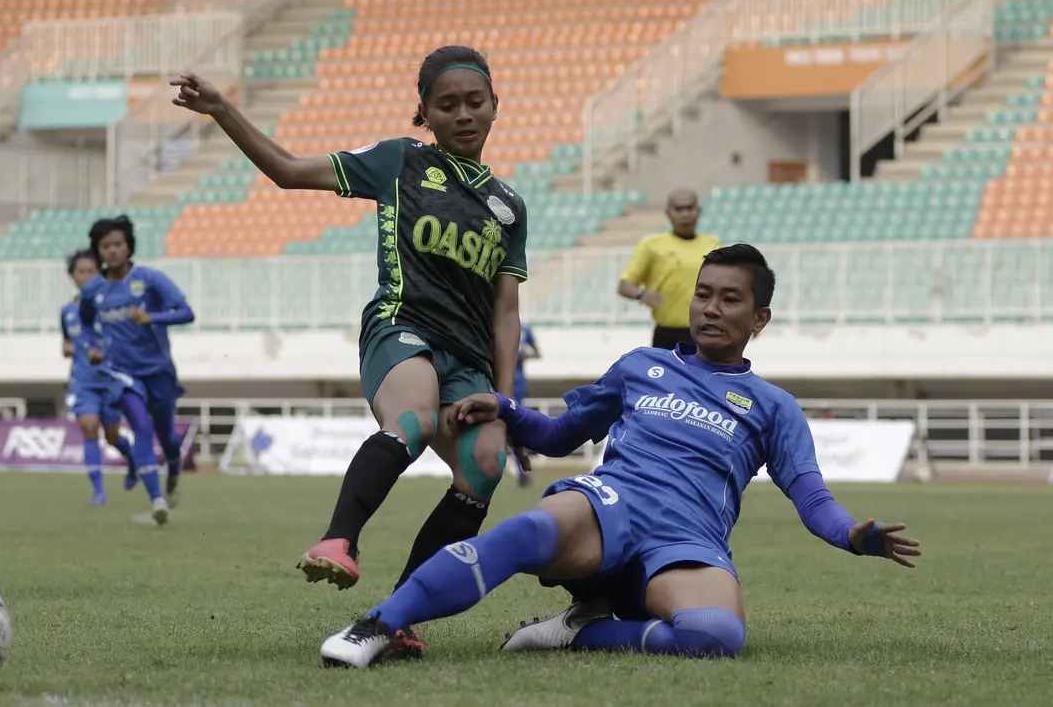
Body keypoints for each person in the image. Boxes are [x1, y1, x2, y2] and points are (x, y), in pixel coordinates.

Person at [319, 243, 921, 668]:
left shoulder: (774, 406)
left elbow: (811, 496)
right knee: (525, 531)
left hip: (689, 540)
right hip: (612, 505)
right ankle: (377, 625)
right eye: (703, 294)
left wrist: (852, 535)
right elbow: (561, 435)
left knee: (714, 637)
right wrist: (504, 407)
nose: (711, 308)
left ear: (759, 317)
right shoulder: (642, 366)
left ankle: (581, 634)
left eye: (730, 300)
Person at [172, 45, 528, 656]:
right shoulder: (400, 161)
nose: (464, 114)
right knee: (412, 418)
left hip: (467, 360)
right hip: (402, 327)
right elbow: (287, 170)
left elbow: (506, 312)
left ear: (496, 105)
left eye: (475, 102)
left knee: (486, 463)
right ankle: (340, 541)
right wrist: (222, 110)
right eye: (447, 105)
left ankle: (399, 616)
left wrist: (503, 397)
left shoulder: (510, 207)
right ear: (425, 113)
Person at [77, 216, 194, 525]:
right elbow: (86, 325)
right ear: (98, 250)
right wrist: (92, 347)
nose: (112, 251)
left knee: (167, 436)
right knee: (141, 427)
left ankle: (173, 469)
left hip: (158, 371)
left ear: (128, 246)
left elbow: (186, 313)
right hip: (121, 372)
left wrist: (152, 317)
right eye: (105, 246)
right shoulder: (93, 290)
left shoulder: (150, 279)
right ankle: (157, 499)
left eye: (118, 244)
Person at [60, 249, 137, 505]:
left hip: (110, 379)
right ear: (72, 277)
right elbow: (66, 344)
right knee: (89, 427)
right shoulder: (67, 311)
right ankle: (98, 492)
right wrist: (69, 348)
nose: (86, 276)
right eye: (80, 272)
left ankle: (133, 460)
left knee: (112, 436)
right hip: (83, 382)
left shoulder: (111, 308)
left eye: (91, 271)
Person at [616, 187, 720, 349]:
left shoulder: (713, 244)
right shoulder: (651, 245)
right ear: (668, 213)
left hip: (706, 332)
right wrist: (641, 294)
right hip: (667, 336)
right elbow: (624, 285)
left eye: (689, 208)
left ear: (698, 211)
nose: (685, 214)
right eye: (679, 209)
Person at [511, 324, 540, 487]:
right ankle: (521, 470)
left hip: (519, 383)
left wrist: (526, 354)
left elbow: (537, 353)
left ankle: (521, 471)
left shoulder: (526, 329)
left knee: (514, 426)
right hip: (501, 378)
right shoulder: (495, 324)